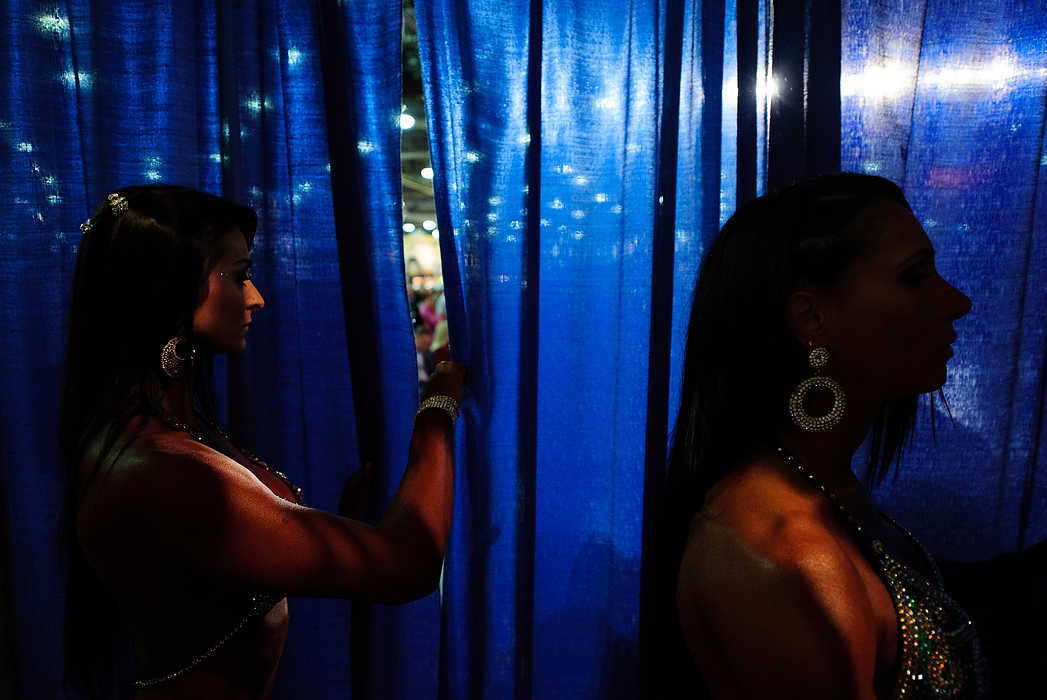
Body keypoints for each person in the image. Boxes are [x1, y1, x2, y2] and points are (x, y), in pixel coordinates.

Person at [60, 186, 466, 699]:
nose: (255, 297)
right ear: (170, 289)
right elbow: (407, 568)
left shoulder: (156, 430)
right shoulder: (165, 470)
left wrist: (325, 531)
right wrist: (438, 411)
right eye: (238, 276)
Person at [659, 173, 990, 699]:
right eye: (915, 276)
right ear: (811, 316)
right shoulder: (791, 558)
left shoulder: (821, 491)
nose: (957, 301)